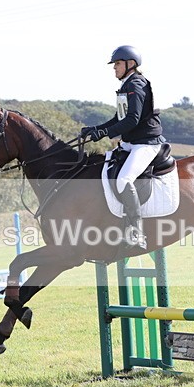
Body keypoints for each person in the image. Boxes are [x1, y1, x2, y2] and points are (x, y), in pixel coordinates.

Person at [80, 45, 165, 250]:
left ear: (130, 64)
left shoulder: (137, 84)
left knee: (124, 179)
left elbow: (132, 120)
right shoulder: (127, 85)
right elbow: (119, 117)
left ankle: (137, 233)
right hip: (131, 144)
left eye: (117, 64)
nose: (114, 68)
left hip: (146, 144)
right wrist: (97, 129)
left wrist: (104, 133)